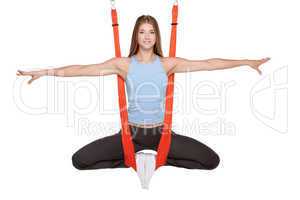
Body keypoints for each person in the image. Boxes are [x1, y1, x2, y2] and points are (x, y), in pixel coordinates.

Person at [16, 15, 270, 170]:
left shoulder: (168, 63)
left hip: (162, 135)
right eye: (142, 31)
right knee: (79, 161)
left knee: (211, 161)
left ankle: (161, 160)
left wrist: (246, 61)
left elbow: (209, 64)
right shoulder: (122, 64)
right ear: (136, 36)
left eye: (151, 32)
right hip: (131, 134)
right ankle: (133, 161)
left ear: (156, 35)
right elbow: (82, 69)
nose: (147, 36)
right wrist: (44, 72)